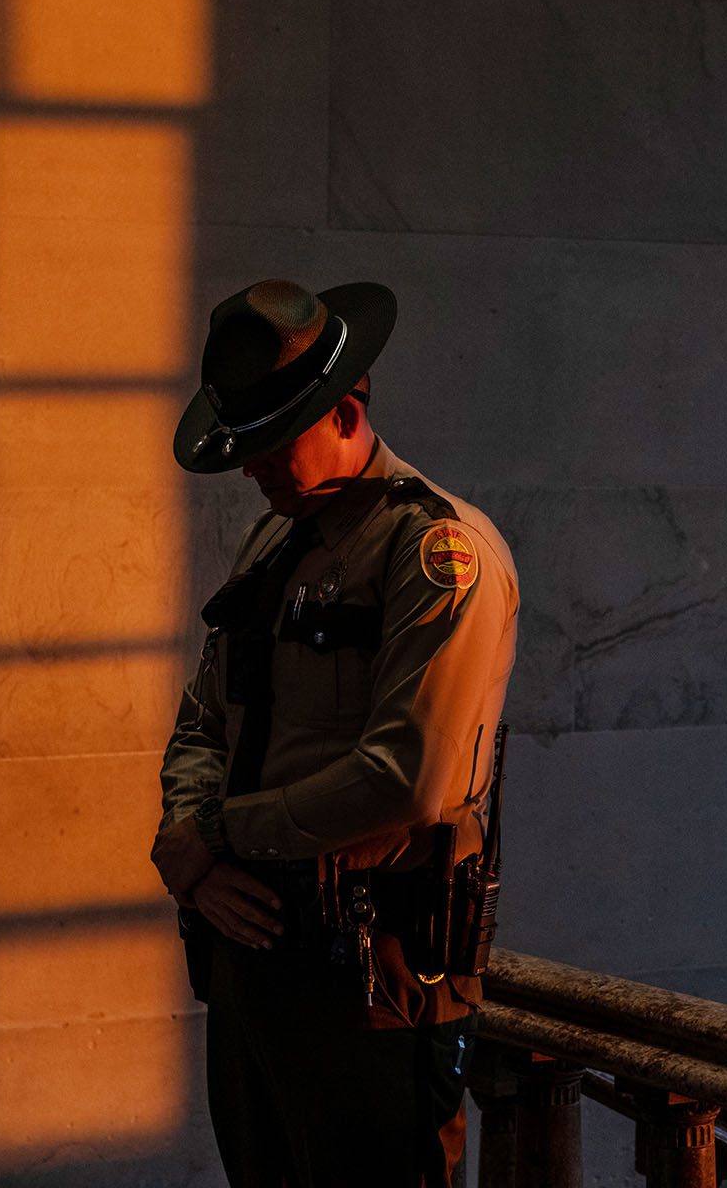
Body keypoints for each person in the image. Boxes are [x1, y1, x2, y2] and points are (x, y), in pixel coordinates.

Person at [150, 277, 519, 1187]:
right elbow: (204, 717)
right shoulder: (274, 543)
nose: (252, 468)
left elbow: (408, 776)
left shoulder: (437, 554)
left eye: (273, 443)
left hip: (375, 984)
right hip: (253, 962)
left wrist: (220, 836)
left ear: (348, 411)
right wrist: (188, 840)